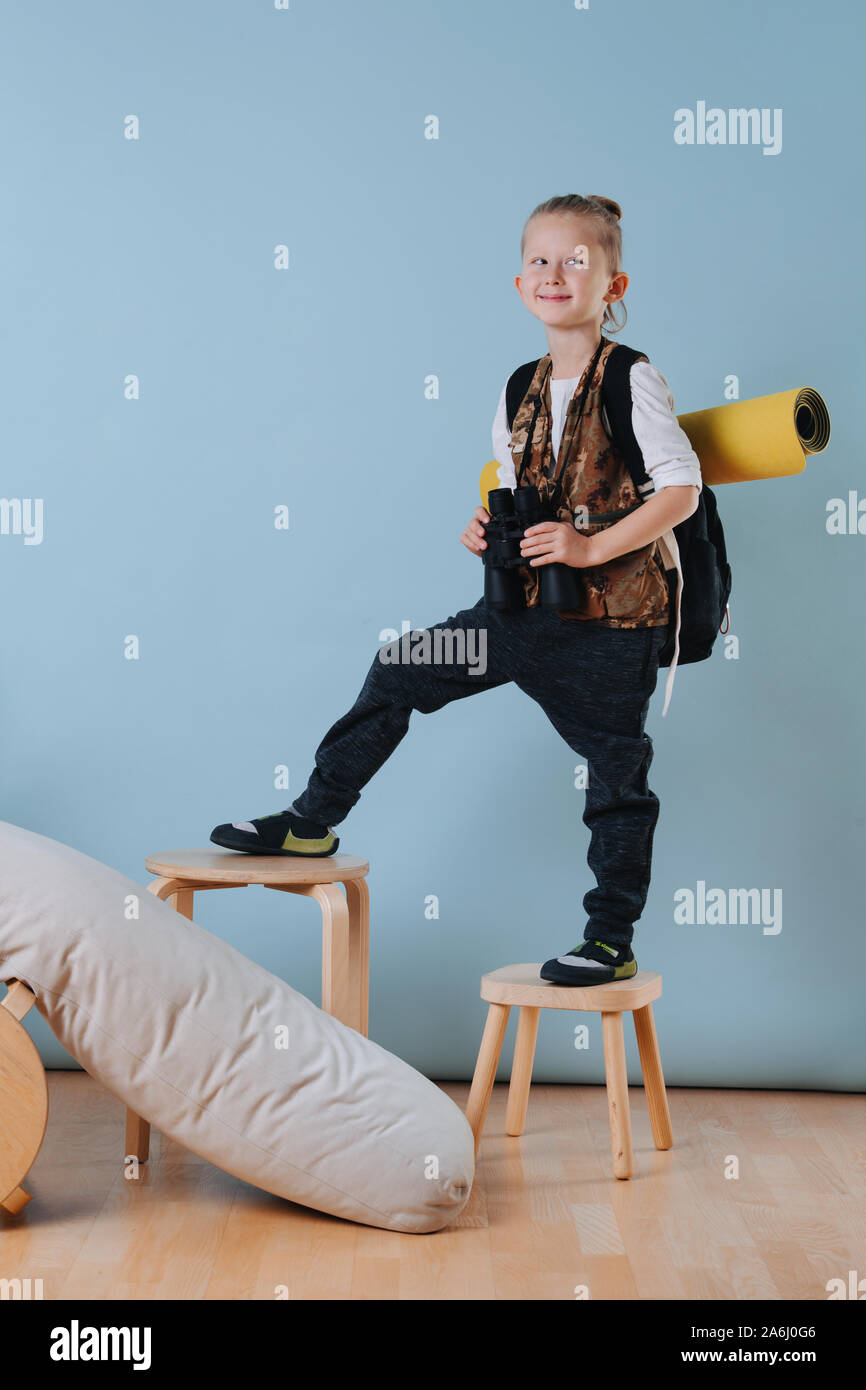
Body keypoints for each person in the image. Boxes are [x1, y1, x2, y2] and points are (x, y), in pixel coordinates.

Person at [210, 193, 702, 986]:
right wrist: (487, 531)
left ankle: (610, 941)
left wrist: (587, 546)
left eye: (578, 260)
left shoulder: (632, 378)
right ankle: (312, 823)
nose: (556, 273)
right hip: (520, 616)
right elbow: (516, 489)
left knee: (616, 781)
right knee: (400, 667)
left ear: (613, 286)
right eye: (541, 260)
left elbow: (679, 489)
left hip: (612, 630)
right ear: (519, 285)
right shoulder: (519, 387)